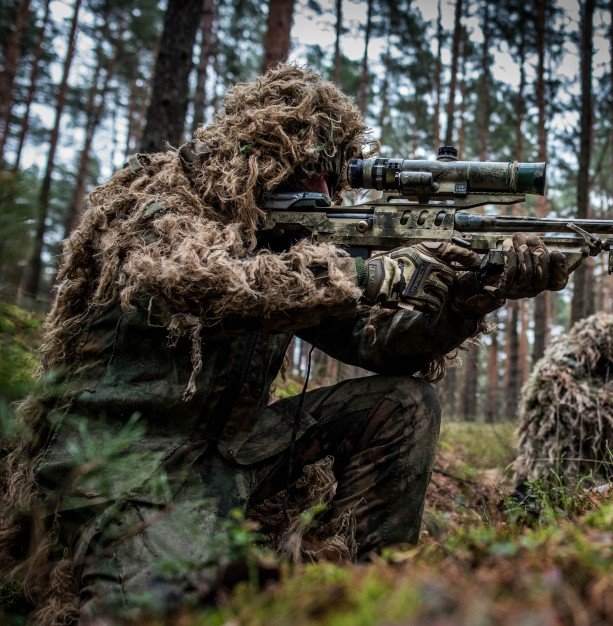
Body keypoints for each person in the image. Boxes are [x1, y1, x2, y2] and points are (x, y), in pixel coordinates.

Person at [0, 66, 569, 623]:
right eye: (308, 171)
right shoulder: (158, 203)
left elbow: (374, 345)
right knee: (169, 610)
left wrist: (471, 299)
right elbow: (194, 283)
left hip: (227, 460)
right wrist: (374, 276)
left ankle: (371, 593)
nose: (325, 192)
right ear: (257, 158)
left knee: (402, 406)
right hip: (118, 472)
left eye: (334, 177)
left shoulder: (290, 243)